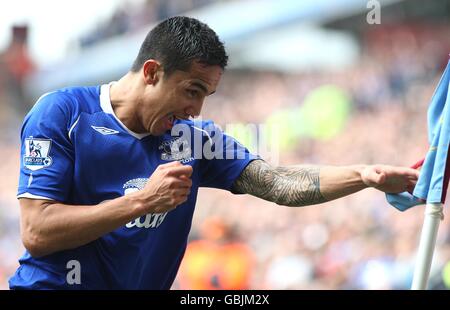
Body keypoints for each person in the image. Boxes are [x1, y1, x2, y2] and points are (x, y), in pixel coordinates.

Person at [9, 16, 419, 290]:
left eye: (206, 95)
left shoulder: (193, 139)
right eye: (192, 90)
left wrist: (363, 176)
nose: (196, 109)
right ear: (152, 72)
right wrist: (141, 202)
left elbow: (279, 184)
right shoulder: (62, 113)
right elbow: (38, 231)